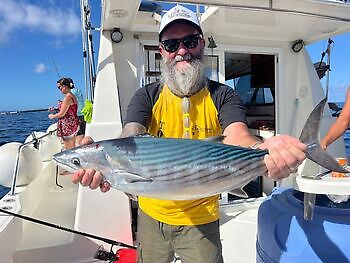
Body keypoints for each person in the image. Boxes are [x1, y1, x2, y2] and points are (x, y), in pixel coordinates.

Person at [70, 5, 306, 263]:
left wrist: (265, 151)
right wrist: (98, 158)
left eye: (189, 41)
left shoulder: (222, 95)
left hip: (202, 221)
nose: (181, 51)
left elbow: (238, 137)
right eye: (171, 44)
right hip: (152, 218)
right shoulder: (146, 96)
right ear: (162, 51)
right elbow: (130, 137)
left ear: (202, 44)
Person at [49, 77, 80, 150]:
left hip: (67, 126)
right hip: (73, 123)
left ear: (65, 86)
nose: (59, 89)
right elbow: (69, 109)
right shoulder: (73, 96)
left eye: (59, 87)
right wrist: (57, 109)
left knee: (68, 148)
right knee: (72, 146)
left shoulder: (67, 98)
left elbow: (62, 114)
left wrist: (52, 116)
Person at [68, 78, 86, 146]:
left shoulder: (71, 93)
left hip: (77, 116)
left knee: (79, 136)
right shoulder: (78, 90)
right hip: (82, 115)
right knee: (82, 133)